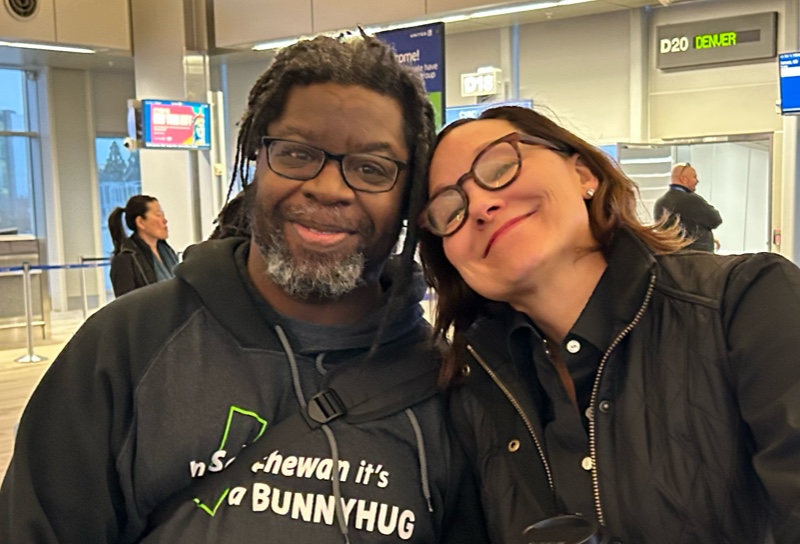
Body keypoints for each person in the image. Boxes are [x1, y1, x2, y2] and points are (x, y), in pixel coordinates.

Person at [0, 34, 488, 543]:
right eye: (298, 154)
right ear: (256, 159)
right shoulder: (128, 344)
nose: (329, 187)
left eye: (371, 168)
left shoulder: (445, 382)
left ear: (409, 195)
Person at [418, 106, 800, 544]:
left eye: (501, 166)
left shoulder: (745, 304)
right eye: (450, 210)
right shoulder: (473, 392)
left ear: (584, 173)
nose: (482, 205)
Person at [108, 194, 180, 296]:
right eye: (158, 215)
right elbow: (126, 306)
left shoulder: (167, 251)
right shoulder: (126, 259)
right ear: (140, 222)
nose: (165, 220)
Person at [653, 162, 722, 252]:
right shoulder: (692, 200)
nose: (697, 181)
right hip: (695, 258)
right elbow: (715, 220)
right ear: (684, 179)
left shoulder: (660, 203)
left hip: (671, 259)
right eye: (694, 177)